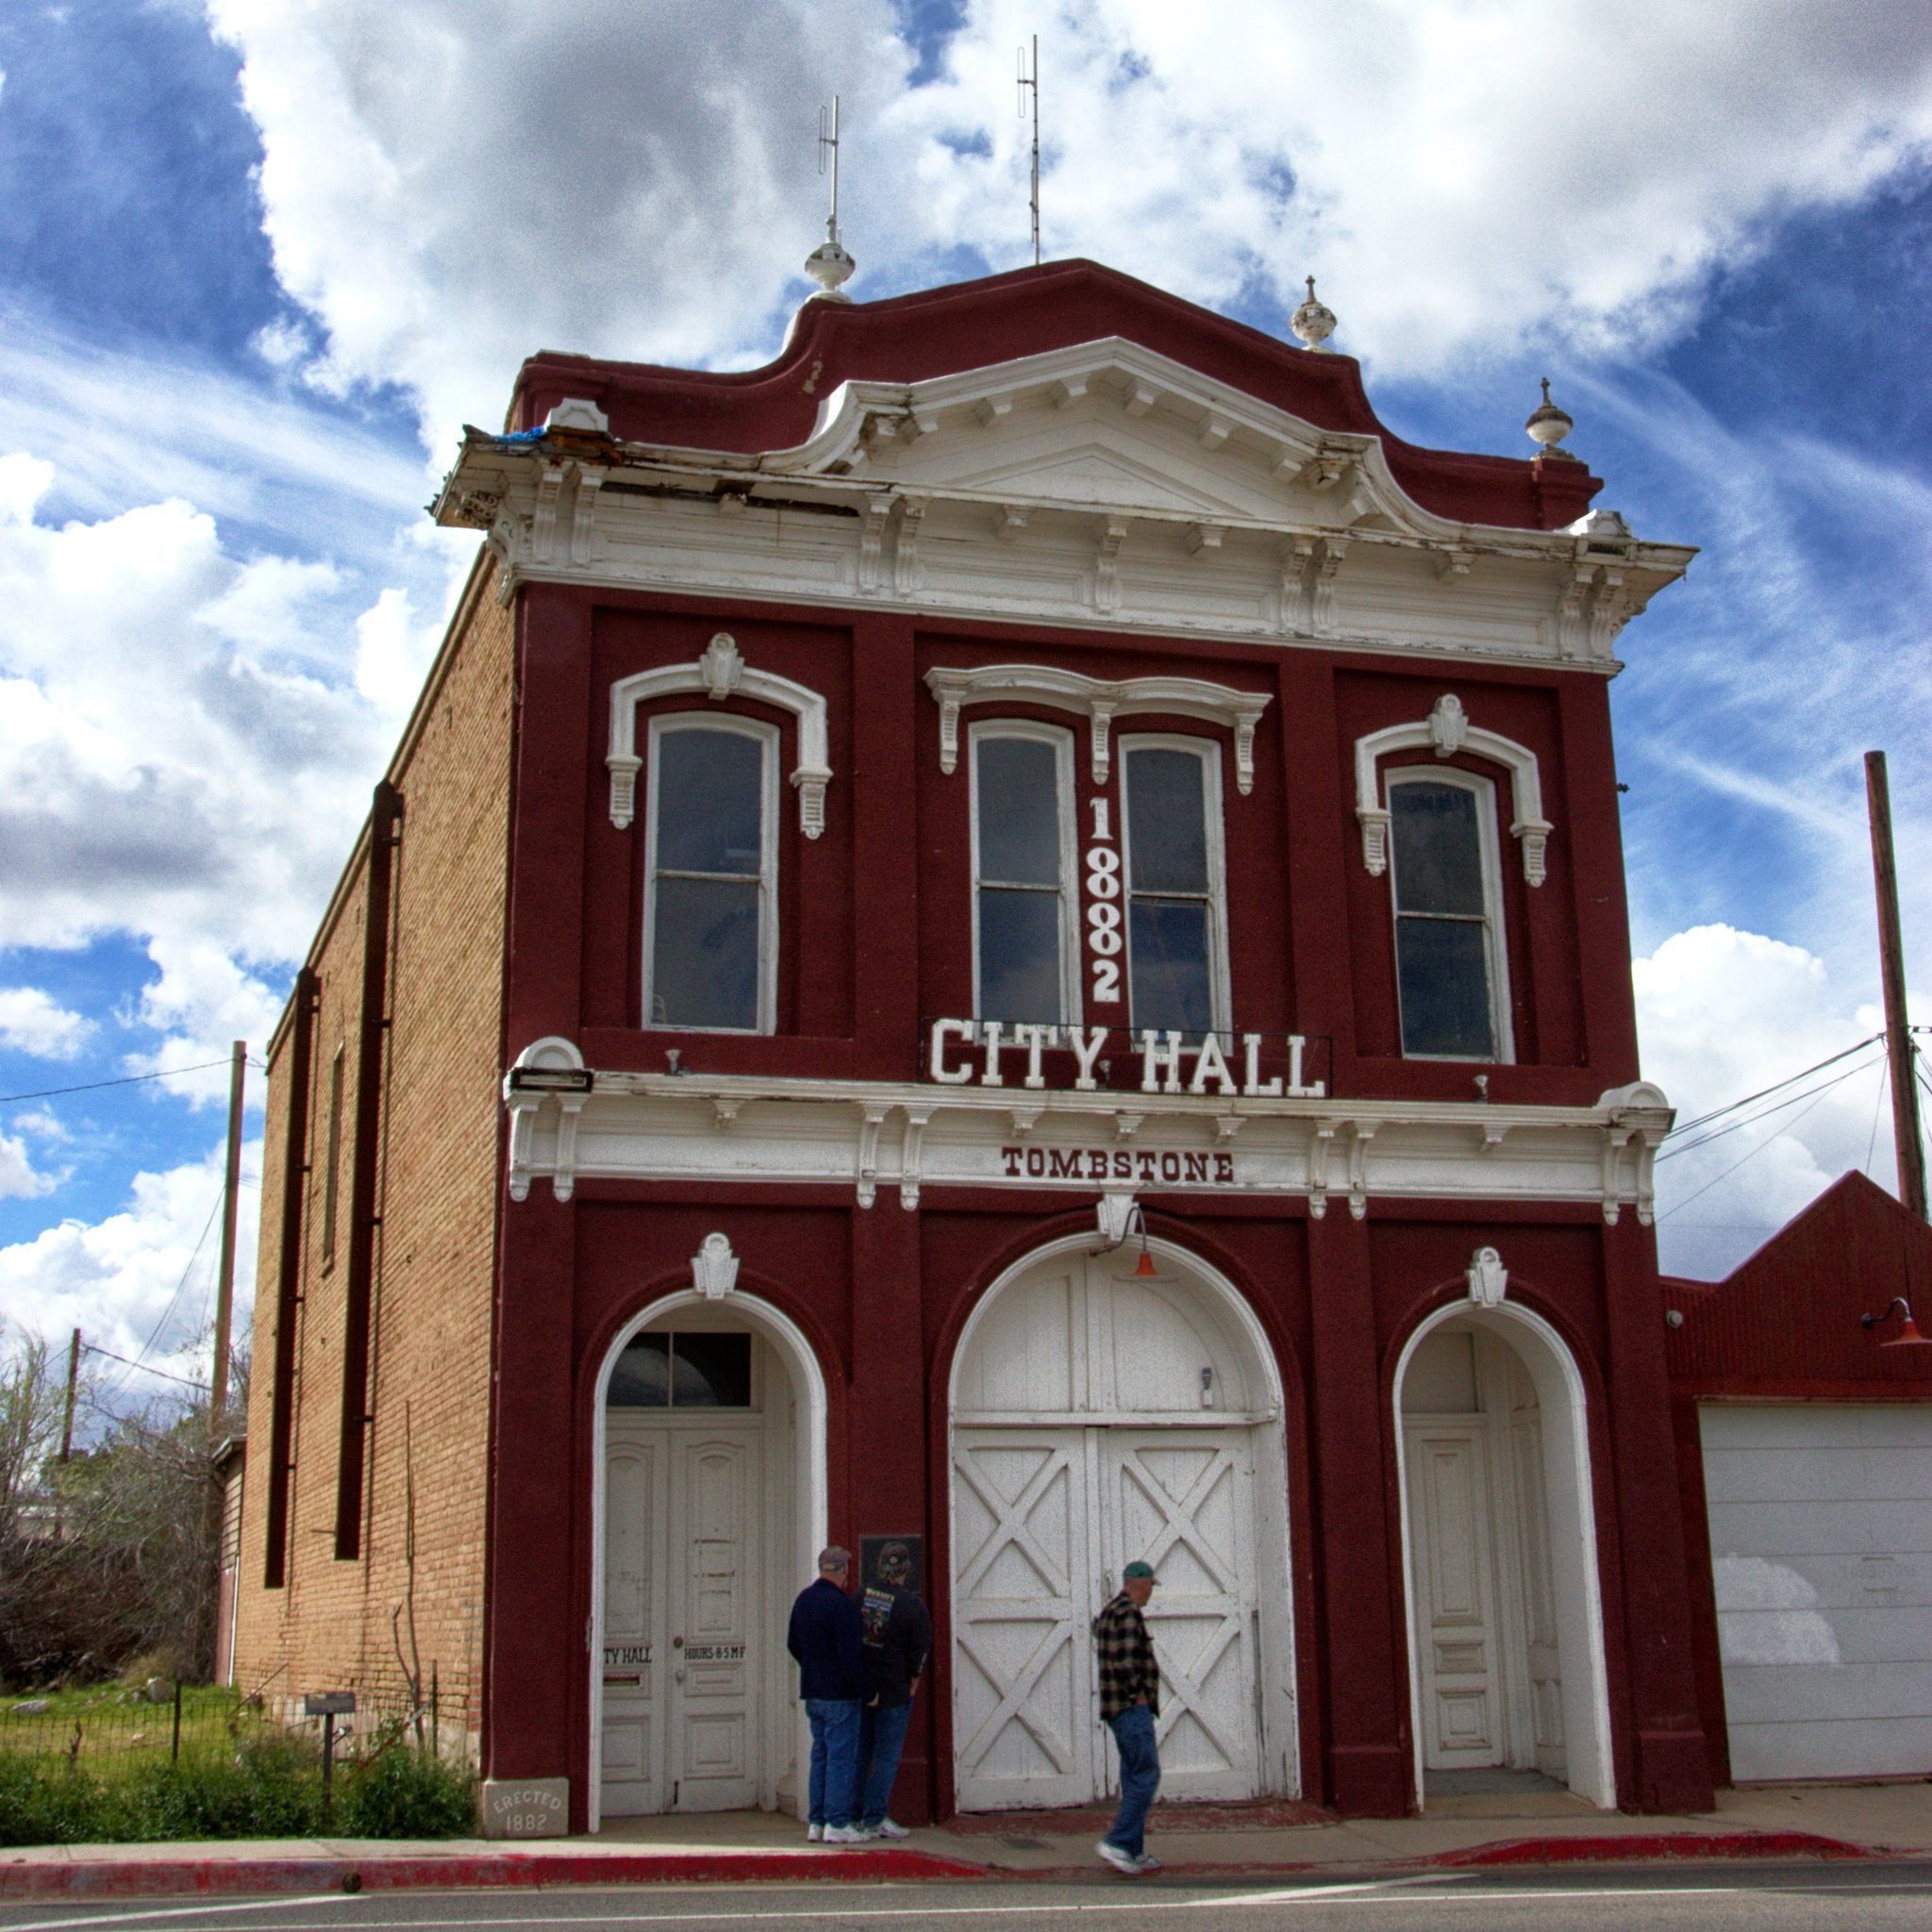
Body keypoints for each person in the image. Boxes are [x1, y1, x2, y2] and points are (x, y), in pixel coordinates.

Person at [787, 1545, 868, 1843]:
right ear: (843, 1571)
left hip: (813, 1693)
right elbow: (851, 1657)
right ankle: (837, 1822)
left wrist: (812, 1666)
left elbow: (793, 1643)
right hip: (840, 1696)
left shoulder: (803, 1600)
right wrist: (866, 1691)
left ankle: (817, 1822)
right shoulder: (842, 1606)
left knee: (820, 1755)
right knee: (840, 1758)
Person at [854, 1541, 932, 1840]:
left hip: (862, 1688)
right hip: (895, 1692)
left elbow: (848, 1638)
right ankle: (874, 1817)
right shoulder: (913, 1606)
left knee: (861, 1752)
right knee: (886, 1755)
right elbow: (920, 1651)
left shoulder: (860, 1596)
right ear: (907, 1570)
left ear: (880, 1566)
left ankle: (855, 1813)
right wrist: (913, 1682)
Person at [1092, 1558, 1162, 1875]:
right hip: (1131, 1709)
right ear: (1141, 1583)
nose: (1151, 1594)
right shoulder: (1130, 1614)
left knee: (1133, 1776)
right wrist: (1139, 1697)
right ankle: (1119, 1842)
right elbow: (1126, 1663)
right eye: (1151, 1586)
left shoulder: (1109, 1612)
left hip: (1115, 1709)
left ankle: (1133, 1850)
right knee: (1146, 1775)